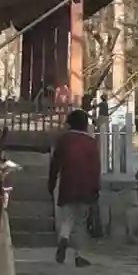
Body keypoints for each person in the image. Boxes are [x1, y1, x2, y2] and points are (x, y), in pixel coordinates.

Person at [48, 107, 100, 266]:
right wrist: (96, 188)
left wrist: (51, 183)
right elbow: (96, 168)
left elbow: (55, 164)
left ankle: (63, 239)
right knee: (81, 222)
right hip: (86, 186)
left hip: (68, 184)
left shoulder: (64, 140)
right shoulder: (91, 142)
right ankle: (79, 255)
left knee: (68, 218)